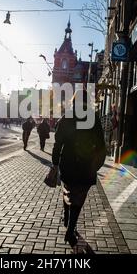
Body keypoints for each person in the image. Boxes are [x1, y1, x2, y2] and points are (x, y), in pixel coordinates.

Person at [52, 90, 106, 246]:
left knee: (67, 190)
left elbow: (58, 143)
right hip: (86, 165)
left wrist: (55, 162)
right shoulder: (93, 118)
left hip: (67, 164)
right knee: (79, 197)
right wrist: (97, 165)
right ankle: (70, 228)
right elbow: (101, 145)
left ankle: (67, 218)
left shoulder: (66, 118)